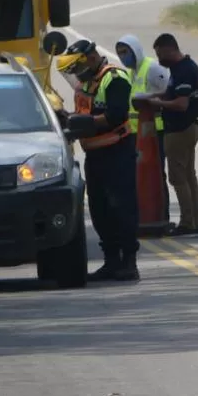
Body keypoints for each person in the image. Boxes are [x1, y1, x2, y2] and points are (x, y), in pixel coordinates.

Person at [56, 39, 141, 282]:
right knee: (100, 209)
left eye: (77, 68)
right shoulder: (85, 84)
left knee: (121, 207)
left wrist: (88, 124)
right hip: (94, 155)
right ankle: (111, 260)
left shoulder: (113, 79)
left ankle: (129, 262)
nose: (75, 74)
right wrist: (67, 120)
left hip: (117, 152)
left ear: (91, 57)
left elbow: (116, 115)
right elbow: (84, 113)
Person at [142, 33, 198, 236]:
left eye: (160, 54)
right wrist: (155, 96)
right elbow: (173, 94)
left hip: (180, 130)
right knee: (189, 175)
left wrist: (156, 104)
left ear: (170, 49)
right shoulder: (182, 68)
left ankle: (188, 222)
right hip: (188, 127)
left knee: (178, 178)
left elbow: (181, 103)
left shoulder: (184, 70)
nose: (159, 59)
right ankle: (195, 219)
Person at [115, 34, 171, 221]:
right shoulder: (133, 71)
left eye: (126, 52)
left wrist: (147, 99)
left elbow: (168, 93)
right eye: (120, 53)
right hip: (137, 133)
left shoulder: (152, 68)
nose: (123, 57)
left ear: (135, 50)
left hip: (156, 130)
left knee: (157, 174)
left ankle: (161, 214)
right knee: (141, 175)